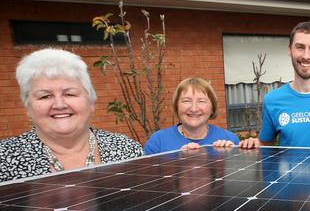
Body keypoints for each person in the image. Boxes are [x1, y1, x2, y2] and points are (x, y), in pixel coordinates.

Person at [0, 48, 143, 182]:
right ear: (28, 107)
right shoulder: (4, 160)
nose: (59, 104)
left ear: (91, 102)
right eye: (45, 96)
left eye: (70, 94)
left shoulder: (127, 150)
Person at [239, 21, 310, 149]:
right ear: (290, 50)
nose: (306, 56)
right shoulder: (272, 100)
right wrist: (253, 143)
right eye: (300, 47)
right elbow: (266, 147)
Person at [144, 77, 239, 154]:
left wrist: (250, 150)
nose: (194, 109)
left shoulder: (230, 139)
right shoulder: (158, 142)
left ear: (212, 107)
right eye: (186, 101)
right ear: (176, 106)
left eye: (201, 101)